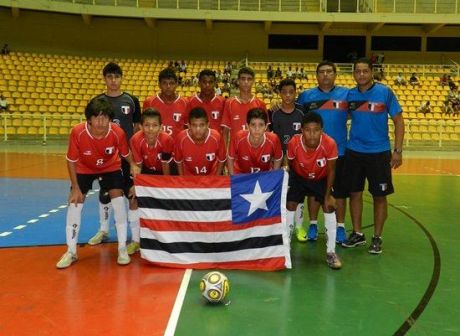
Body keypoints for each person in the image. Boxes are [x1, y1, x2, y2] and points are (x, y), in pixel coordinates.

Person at [56, 97, 140, 269]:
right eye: (97, 117)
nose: (101, 122)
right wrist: (75, 188)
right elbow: (71, 160)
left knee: (118, 201)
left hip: (110, 167)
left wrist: (132, 164)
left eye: (105, 117)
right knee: (75, 203)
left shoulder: (117, 132)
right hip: (84, 169)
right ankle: (71, 252)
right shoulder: (77, 132)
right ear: (89, 119)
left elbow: (125, 153)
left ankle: (122, 249)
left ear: (110, 118)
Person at [342, 58, 404, 254]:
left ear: (371, 72)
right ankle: (358, 234)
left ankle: (377, 237)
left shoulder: (384, 92)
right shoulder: (350, 95)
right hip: (354, 151)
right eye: (358, 71)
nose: (361, 74)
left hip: (379, 153)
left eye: (365, 71)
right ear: (354, 74)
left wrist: (397, 150)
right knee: (354, 193)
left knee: (379, 196)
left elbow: (399, 122)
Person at [86, 63, 142, 256]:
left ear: (121, 78)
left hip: (126, 157)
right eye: (109, 77)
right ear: (105, 79)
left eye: (117, 77)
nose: (113, 80)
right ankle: (103, 230)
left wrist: (133, 155)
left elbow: (137, 129)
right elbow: (91, 129)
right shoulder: (97, 101)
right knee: (104, 194)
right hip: (105, 158)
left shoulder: (131, 100)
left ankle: (135, 238)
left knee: (131, 195)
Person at [297, 61, 349, 244]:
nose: (325, 75)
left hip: (340, 152)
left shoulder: (346, 94)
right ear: (316, 75)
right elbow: (294, 113)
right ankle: (312, 224)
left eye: (329, 72)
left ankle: (341, 227)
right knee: (314, 191)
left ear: (335, 74)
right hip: (313, 154)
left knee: (340, 193)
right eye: (322, 72)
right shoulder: (306, 96)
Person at [286, 112, 342, 270]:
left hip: (321, 177)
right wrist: (289, 183)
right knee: (290, 205)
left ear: (321, 130)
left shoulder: (329, 143)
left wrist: (328, 195)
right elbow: (289, 162)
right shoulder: (294, 143)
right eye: (308, 130)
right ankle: (285, 248)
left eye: (316, 130)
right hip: (299, 176)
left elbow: (331, 171)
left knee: (329, 206)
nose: (312, 134)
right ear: (301, 130)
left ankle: (331, 252)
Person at [128, 108, 174, 253]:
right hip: (146, 171)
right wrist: (137, 186)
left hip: (163, 171)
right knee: (133, 198)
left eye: (155, 125)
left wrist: (166, 188)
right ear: (141, 127)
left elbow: (166, 166)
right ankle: (136, 240)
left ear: (161, 127)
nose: (151, 129)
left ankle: (168, 238)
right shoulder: (136, 140)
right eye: (147, 125)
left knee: (166, 200)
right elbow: (138, 166)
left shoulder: (167, 139)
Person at [227, 108, 283, 175]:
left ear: (266, 127)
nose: (257, 129)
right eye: (253, 125)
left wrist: (273, 176)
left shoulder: (274, 139)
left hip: (264, 174)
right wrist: (233, 177)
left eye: (261, 125)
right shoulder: (238, 137)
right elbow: (230, 157)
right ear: (247, 126)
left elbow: (278, 158)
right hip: (241, 175)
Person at [174, 107, 226, 176]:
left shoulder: (216, 137)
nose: (198, 129)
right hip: (189, 177)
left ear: (207, 125)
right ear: (189, 125)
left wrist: (216, 178)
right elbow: (179, 161)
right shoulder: (181, 138)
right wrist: (182, 179)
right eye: (194, 125)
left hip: (211, 176)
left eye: (202, 125)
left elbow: (221, 160)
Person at [221, 67, 266, 144]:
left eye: (249, 79)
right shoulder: (229, 103)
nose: (246, 82)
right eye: (243, 79)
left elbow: (265, 131)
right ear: (238, 81)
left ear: (253, 81)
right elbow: (225, 132)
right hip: (235, 153)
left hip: (256, 151)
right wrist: (225, 153)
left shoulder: (260, 104)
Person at [143, 67, 189, 139]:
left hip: (177, 147)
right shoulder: (149, 102)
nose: (168, 86)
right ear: (159, 84)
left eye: (171, 83)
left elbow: (187, 128)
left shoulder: (185, 103)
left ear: (176, 84)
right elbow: (144, 126)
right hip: (156, 146)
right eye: (164, 83)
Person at [188, 69, 226, 133]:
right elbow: (187, 127)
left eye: (210, 82)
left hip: (216, 142)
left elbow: (225, 129)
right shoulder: (190, 101)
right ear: (199, 83)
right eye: (204, 82)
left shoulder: (223, 102)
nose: (207, 85)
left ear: (215, 83)